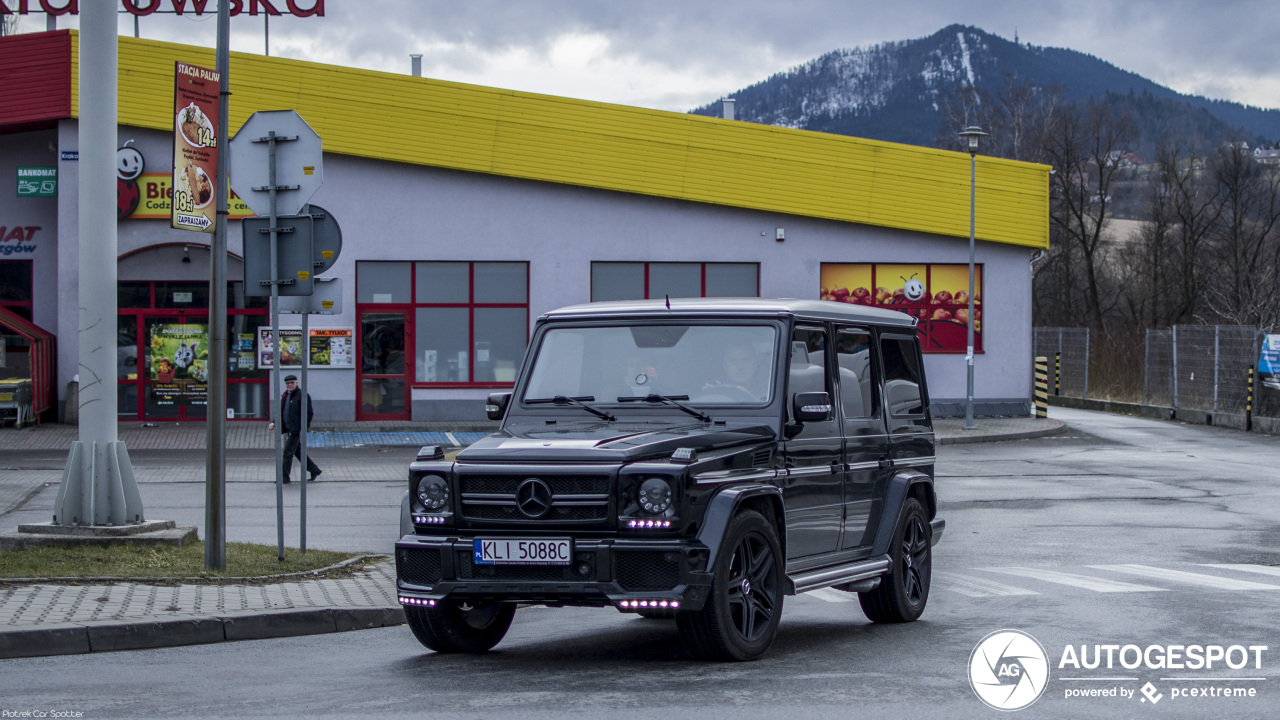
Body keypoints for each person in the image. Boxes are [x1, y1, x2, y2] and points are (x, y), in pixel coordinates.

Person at [268, 374, 322, 484]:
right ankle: (314, 470)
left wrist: (303, 427)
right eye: (288, 383)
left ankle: (284, 478)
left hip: (296, 430)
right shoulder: (285, 396)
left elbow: (309, 413)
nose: (290, 385)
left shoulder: (302, 395)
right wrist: (274, 422)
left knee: (288, 452)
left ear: (296, 383)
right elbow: (281, 411)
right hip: (289, 429)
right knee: (298, 452)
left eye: (292, 382)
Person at [701, 342, 766, 401]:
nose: (740, 366)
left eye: (746, 360)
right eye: (733, 361)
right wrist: (706, 394)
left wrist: (747, 394)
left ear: (755, 363)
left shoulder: (769, 389)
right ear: (724, 365)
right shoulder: (715, 388)